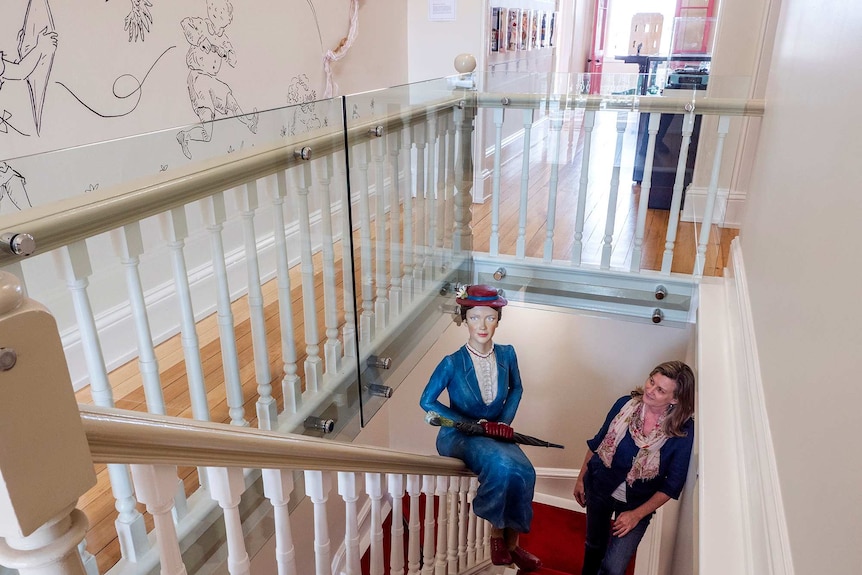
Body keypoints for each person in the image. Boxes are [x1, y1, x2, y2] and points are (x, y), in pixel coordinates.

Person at [419, 284, 542, 572]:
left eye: (489, 317)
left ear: (498, 319)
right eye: (475, 317)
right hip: (459, 434)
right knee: (501, 465)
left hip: (495, 431)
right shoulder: (451, 363)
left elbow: (517, 388)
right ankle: (497, 536)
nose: (482, 325)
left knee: (525, 470)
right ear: (465, 319)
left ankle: (514, 545)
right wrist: (468, 424)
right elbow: (426, 401)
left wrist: (502, 423)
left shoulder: (508, 354)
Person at [573, 361, 695, 575]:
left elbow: (673, 485)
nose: (650, 390)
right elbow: (598, 442)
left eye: (660, 390)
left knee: (614, 567)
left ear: (674, 399)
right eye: (651, 381)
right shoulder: (624, 405)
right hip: (600, 487)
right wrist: (581, 478)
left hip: (638, 503)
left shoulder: (682, 432)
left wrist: (636, 515)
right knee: (594, 546)